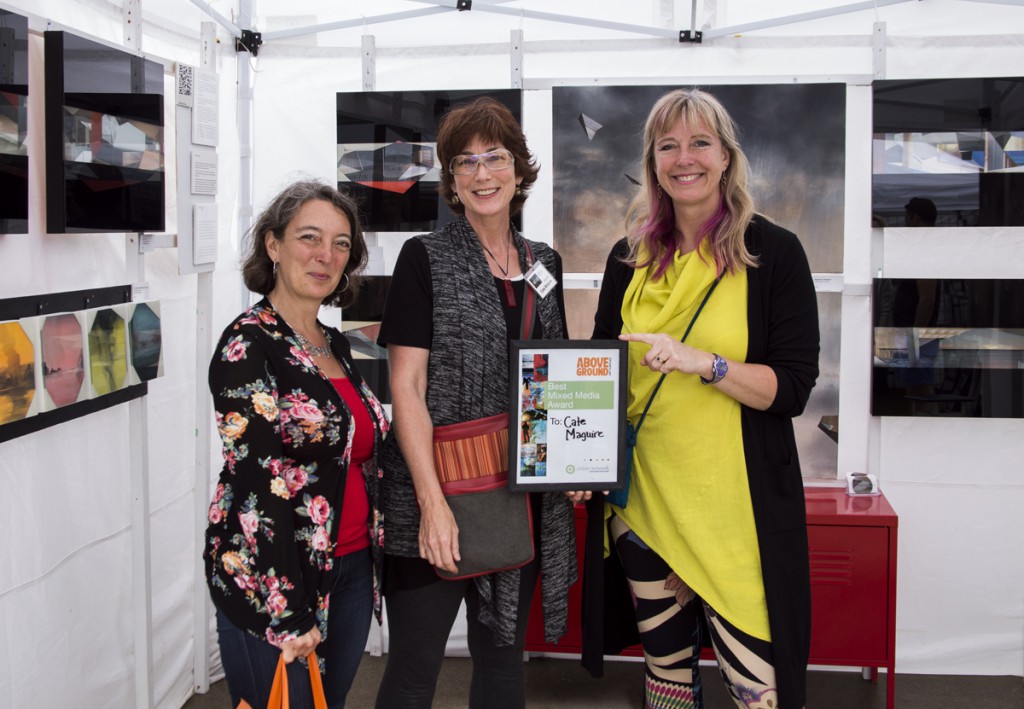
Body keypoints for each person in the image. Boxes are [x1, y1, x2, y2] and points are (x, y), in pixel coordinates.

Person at [577, 88, 820, 709]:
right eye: (668, 146)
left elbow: (791, 388)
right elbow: (601, 374)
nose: (685, 158)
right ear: (654, 162)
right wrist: (575, 458)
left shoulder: (773, 253)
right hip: (646, 507)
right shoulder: (627, 259)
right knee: (666, 680)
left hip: (737, 515)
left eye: (700, 143)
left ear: (726, 157)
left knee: (757, 690)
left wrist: (705, 364)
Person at [374, 97, 577, 709]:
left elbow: (551, 381)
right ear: (452, 182)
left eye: (495, 158)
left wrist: (571, 462)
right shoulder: (424, 258)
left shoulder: (545, 262)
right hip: (434, 495)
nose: (482, 173)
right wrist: (434, 506)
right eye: (465, 163)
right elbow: (405, 388)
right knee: (413, 675)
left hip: (516, 497)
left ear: (519, 169)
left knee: (501, 671)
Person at [204, 180, 390, 709]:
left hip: (350, 565)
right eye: (309, 237)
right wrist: (287, 610)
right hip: (274, 574)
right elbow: (257, 483)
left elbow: (359, 449)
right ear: (273, 245)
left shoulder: (331, 342)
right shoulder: (248, 344)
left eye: (340, 243)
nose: (325, 256)